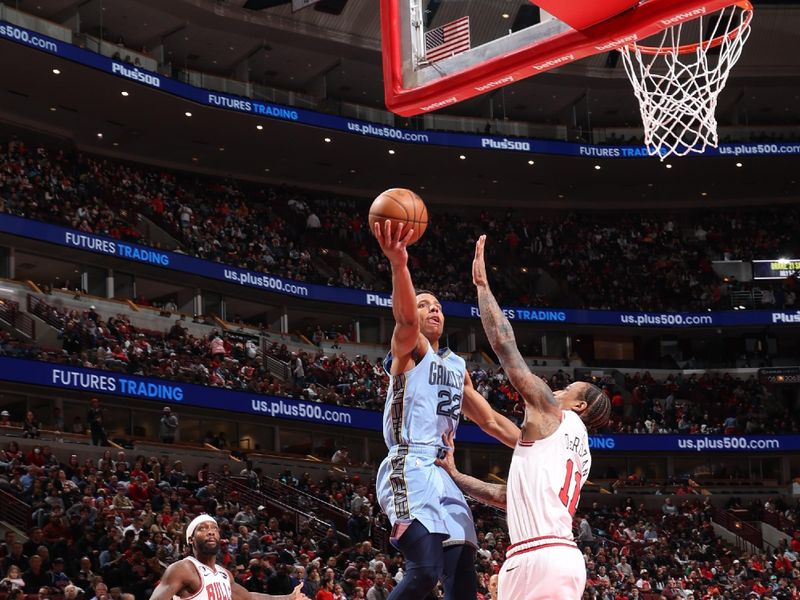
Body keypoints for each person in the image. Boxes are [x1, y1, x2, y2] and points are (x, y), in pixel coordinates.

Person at [436, 235, 611, 600]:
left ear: (578, 405)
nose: (558, 390)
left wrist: (483, 288)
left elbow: (504, 346)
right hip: (563, 557)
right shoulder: (578, 453)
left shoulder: (552, 411)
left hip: (536, 556)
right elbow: (508, 494)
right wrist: (457, 477)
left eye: (568, 389)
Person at [372, 220, 521, 600]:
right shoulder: (408, 351)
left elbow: (488, 420)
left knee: (463, 572)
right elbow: (405, 319)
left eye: (438, 306)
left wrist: (534, 446)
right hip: (408, 465)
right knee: (424, 571)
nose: (433, 310)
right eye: (424, 305)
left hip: (441, 471)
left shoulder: (456, 366)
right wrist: (399, 263)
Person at [148, 514, 310, 600]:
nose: (210, 531)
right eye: (202, 529)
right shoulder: (183, 569)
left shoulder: (224, 574)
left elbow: (249, 597)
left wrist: (289, 598)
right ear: (191, 539)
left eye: (214, 528)